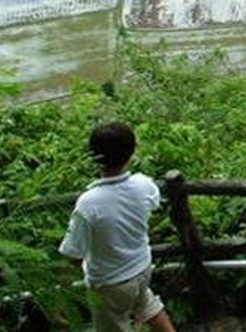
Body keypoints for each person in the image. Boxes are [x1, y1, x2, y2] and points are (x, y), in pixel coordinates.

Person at [59, 122, 175, 332]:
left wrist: (60, 298)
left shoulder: (88, 203)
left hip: (110, 283)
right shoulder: (143, 185)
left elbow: (73, 254)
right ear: (131, 153)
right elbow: (154, 201)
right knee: (147, 304)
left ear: (93, 157)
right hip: (142, 267)